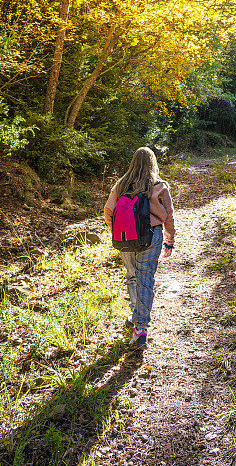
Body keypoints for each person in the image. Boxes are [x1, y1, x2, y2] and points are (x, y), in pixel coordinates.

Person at [103, 147, 175, 349]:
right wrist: (169, 240)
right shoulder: (159, 186)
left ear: (133, 162)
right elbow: (168, 217)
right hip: (151, 237)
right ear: (153, 163)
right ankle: (140, 327)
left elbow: (108, 211)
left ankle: (136, 314)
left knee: (132, 276)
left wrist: (118, 230)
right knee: (145, 280)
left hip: (125, 238)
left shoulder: (121, 184)